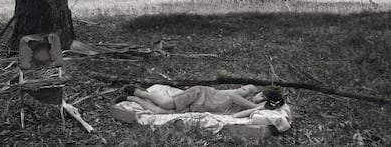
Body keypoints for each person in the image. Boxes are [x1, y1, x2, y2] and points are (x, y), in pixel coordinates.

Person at [115, 84, 285, 117]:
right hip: (200, 94)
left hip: (199, 108)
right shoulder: (250, 90)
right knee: (166, 103)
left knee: (160, 112)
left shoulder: (255, 109)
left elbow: (234, 118)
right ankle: (141, 92)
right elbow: (232, 96)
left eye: (263, 100)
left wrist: (257, 109)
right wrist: (255, 104)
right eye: (261, 96)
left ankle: (132, 98)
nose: (258, 98)